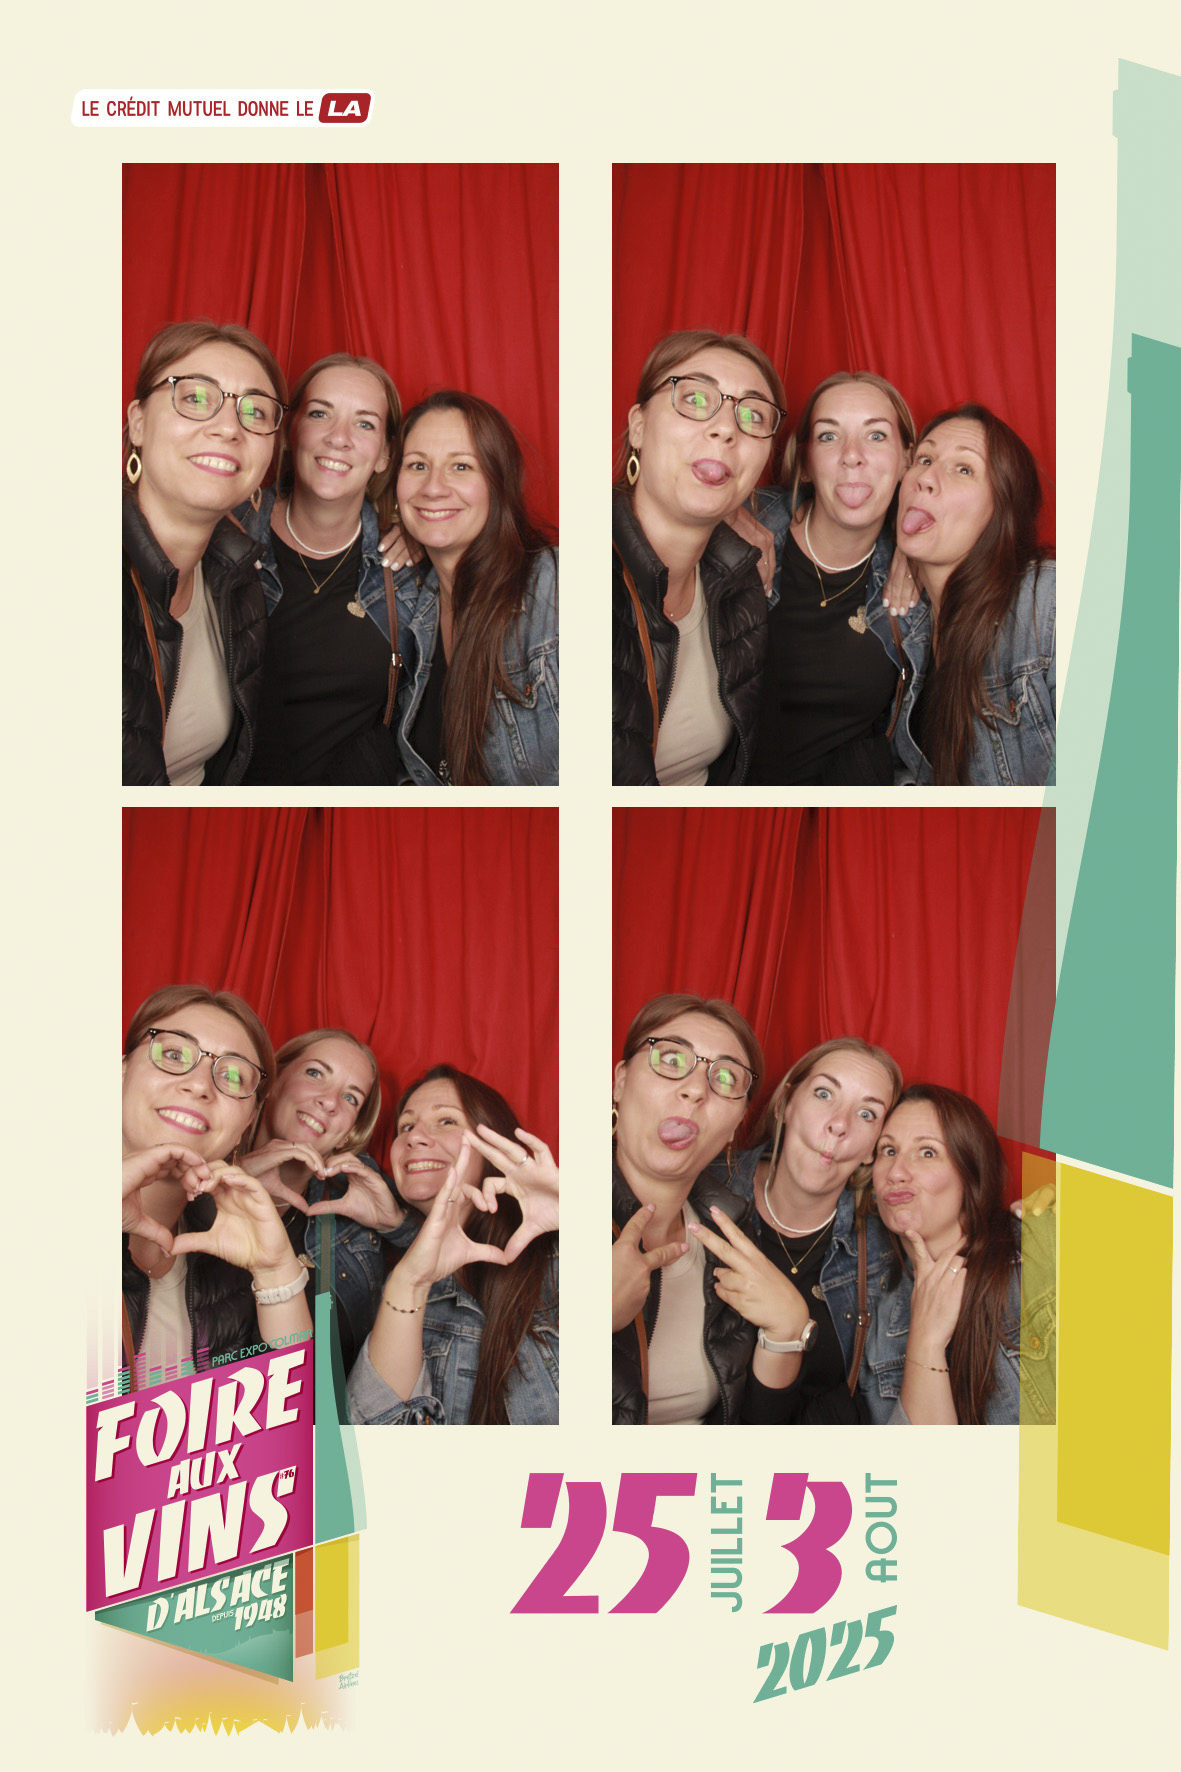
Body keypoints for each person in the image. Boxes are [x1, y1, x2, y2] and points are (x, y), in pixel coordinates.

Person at [611, 994, 821, 1426]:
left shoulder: (731, 1234)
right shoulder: (546, 1215)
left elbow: (756, 1434)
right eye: (671, 1059)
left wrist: (787, 1333)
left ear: (735, 1125)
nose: (695, 1090)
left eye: (725, 1077)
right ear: (620, 1082)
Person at [688, 1037, 903, 1424]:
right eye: (824, 1093)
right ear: (785, 1103)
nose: (839, 1124)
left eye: (867, 1114)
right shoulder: (698, 1186)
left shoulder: (887, 1249)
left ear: (875, 1147)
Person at [612, 331, 787, 786]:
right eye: (694, 398)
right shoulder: (558, 588)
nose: (726, 428)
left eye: (752, 414)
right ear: (638, 426)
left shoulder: (742, 584)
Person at [123, 321, 288, 785]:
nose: (228, 428)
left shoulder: (238, 580)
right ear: (138, 422)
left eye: (255, 411)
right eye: (195, 398)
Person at [121, 986, 311, 1387]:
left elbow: (294, 1415)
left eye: (232, 1076)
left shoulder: (229, 1252)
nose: (200, 1086)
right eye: (174, 1055)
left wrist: (276, 1273)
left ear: (248, 1121)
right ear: (121, 1070)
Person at [348, 1066, 558, 1425]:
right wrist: (409, 1282)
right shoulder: (383, 1277)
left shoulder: (555, 1255)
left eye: (446, 1121)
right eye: (406, 1126)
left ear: (493, 1146)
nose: (415, 1137)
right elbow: (375, 1442)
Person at [747, 372, 921, 785]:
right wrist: (723, 515)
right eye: (829, 436)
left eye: (876, 435)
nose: (852, 456)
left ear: (907, 461)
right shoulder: (741, 525)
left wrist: (920, 544)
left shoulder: (921, 570)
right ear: (805, 463)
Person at [240, 354, 406, 784]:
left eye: (364, 423)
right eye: (319, 414)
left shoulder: (405, 570)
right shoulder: (227, 539)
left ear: (385, 454)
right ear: (290, 432)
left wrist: (429, 537)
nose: (339, 438)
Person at [382, 390, 558, 785]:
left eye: (461, 466)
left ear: (499, 481)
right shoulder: (411, 607)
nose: (433, 488)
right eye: (417, 465)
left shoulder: (556, 588)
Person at [889, 405, 1056, 785]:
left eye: (964, 469)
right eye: (924, 459)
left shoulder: (1049, 602)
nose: (926, 478)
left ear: (1002, 510)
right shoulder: (905, 626)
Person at [869, 1083, 1054, 1425]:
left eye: (927, 1152)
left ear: (972, 1171)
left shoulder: (1042, 1248)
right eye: (888, 1150)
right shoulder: (878, 1322)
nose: (896, 1173)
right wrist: (925, 1343)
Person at [237, 1027, 400, 1374]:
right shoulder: (200, 1156)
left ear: (349, 1133)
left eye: (351, 1098)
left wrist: (396, 1226)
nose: (330, 1101)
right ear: (273, 1080)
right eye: (315, 1073)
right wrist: (232, 1182)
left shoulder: (353, 1195)